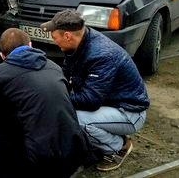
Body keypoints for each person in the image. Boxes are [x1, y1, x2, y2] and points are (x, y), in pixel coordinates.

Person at [0, 28, 93, 177]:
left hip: (36, 164)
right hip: (72, 156)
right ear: (31, 45)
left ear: (2, 56)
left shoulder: (2, 74)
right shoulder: (54, 67)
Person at [41, 10, 150, 172]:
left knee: (78, 120)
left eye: (54, 36)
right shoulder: (79, 44)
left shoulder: (101, 55)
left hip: (130, 112)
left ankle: (118, 147)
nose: (53, 40)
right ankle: (108, 136)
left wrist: (57, 99)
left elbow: (90, 101)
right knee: (69, 112)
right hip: (110, 102)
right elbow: (67, 75)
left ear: (67, 36)